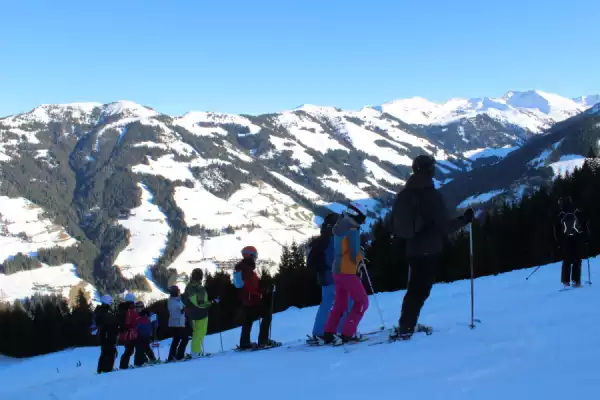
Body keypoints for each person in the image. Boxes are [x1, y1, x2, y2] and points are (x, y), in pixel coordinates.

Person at [384, 154, 473, 340]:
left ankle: (407, 325)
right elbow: (443, 227)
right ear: (430, 170)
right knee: (419, 290)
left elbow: (393, 223)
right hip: (430, 249)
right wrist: (464, 219)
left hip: (411, 249)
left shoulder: (404, 194)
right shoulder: (432, 196)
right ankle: (406, 328)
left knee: (414, 289)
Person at [321, 202, 370, 344]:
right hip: (348, 271)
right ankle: (348, 333)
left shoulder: (339, 226)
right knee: (362, 301)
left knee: (340, 304)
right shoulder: (353, 229)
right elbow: (355, 253)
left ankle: (329, 333)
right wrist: (362, 254)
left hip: (337, 270)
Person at [306, 212, 351, 344]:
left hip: (324, 278)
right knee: (347, 303)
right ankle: (341, 332)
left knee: (326, 304)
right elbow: (334, 259)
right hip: (334, 277)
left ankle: (319, 332)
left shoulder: (321, 240)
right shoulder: (332, 239)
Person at [234, 246, 280, 349]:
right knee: (267, 315)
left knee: (248, 320)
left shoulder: (241, 268)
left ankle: (244, 343)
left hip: (246, 299)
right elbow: (250, 287)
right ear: (250, 255)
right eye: (254, 256)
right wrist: (264, 291)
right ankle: (263, 341)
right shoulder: (247, 269)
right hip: (252, 299)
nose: (255, 258)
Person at [554, 196, 590, 288]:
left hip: (565, 239)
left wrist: (558, 241)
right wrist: (586, 238)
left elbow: (557, 228)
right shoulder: (576, 211)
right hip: (577, 238)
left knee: (566, 260)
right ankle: (576, 281)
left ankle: (565, 281)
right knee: (577, 259)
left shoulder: (561, 213)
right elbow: (584, 224)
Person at [182, 268, 216, 358]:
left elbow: (186, 300)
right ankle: (195, 353)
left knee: (196, 333)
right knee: (200, 333)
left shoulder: (188, 287)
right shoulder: (199, 288)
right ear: (201, 277)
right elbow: (200, 304)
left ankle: (196, 351)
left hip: (191, 315)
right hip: (201, 314)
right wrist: (212, 302)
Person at [94, 295, 118, 373]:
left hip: (104, 335)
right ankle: (107, 369)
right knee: (110, 351)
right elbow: (110, 323)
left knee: (105, 352)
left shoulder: (99, 311)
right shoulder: (104, 312)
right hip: (107, 335)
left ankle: (101, 369)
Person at [167, 285, 191, 362]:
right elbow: (178, 310)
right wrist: (184, 309)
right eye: (178, 291)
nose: (179, 292)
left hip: (178, 323)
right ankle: (179, 356)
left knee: (176, 340)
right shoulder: (172, 301)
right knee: (185, 338)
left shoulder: (176, 300)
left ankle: (172, 357)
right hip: (176, 323)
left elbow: (182, 308)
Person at [118, 293, 140, 369]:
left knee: (129, 349)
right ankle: (125, 366)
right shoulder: (130, 309)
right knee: (131, 350)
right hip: (130, 332)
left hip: (124, 333)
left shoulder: (122, 309)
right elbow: (133, 320)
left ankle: (123, 365)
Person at [133, 301, 158, 366]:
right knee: (141, 348)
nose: (138, 308)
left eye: (140, 307)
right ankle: (144, 361)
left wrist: (154, 333)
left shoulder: (148, 314)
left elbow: (155, 322)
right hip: (138, 335)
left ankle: (140, 362)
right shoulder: (135, 315)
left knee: (144, 348)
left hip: (146, 334)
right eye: (137, 307)